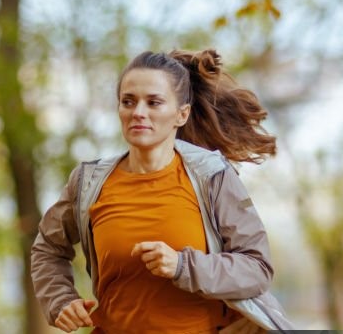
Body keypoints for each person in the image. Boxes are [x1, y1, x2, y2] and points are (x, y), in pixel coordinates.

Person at [31, 49, 293, 333]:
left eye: (153, 102)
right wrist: (59, 299)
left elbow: (256, 269)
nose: (138, 113)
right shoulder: (89, 182)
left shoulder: (211, 177)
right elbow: (47, 247)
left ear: (181, 114)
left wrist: (183, 265)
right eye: (128, 102)